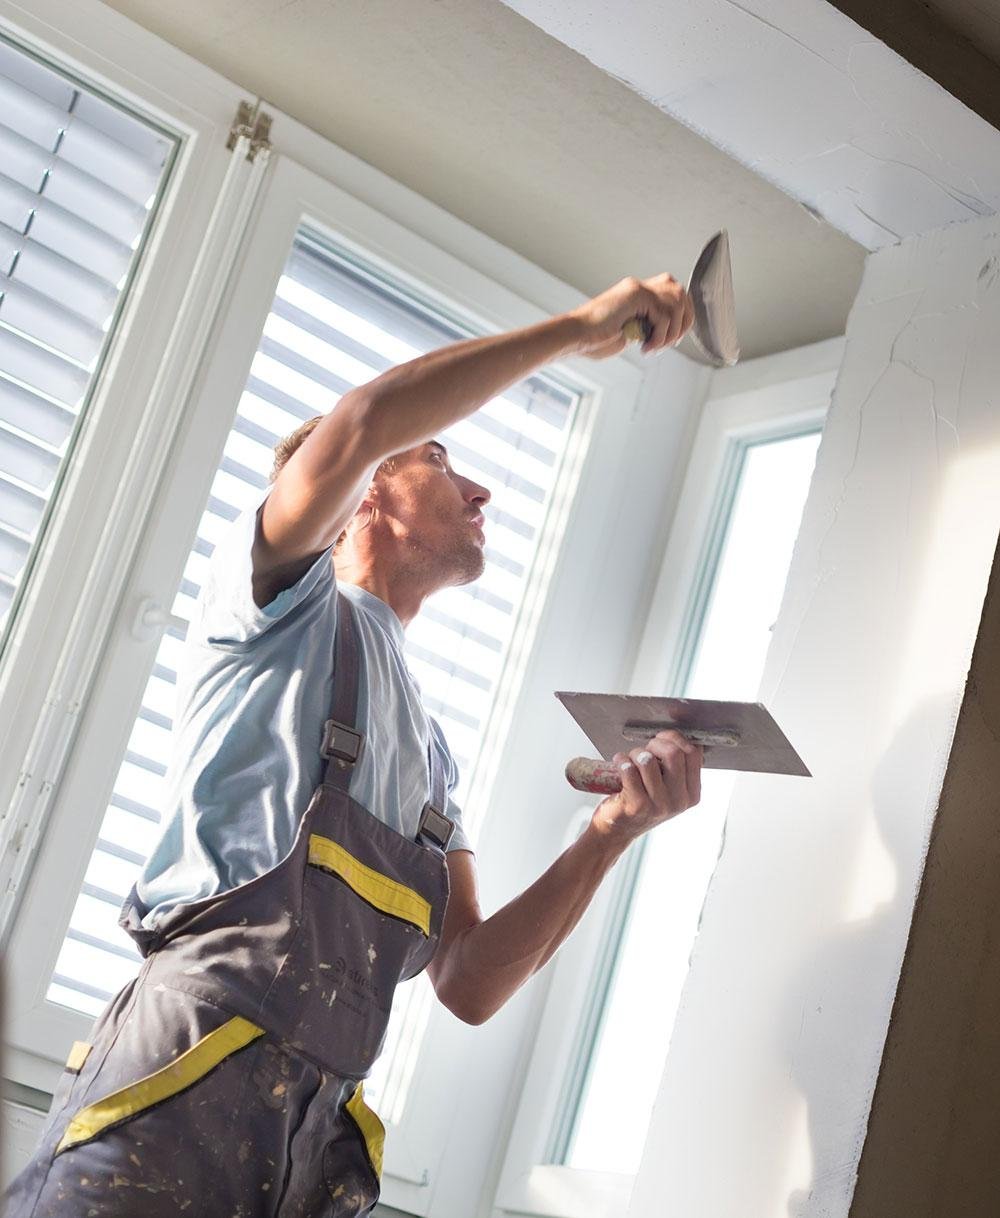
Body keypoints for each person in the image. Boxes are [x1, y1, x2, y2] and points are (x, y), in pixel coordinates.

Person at [6, 272, 704, 1216]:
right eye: (442, 457)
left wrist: (610, 833)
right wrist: (579, 330)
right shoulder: (273, 610)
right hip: (177, 1090)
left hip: (308, 1149)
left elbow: (468, 981)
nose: (481, 487)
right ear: (371, 490)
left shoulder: (433, 754)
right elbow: (368, 417)